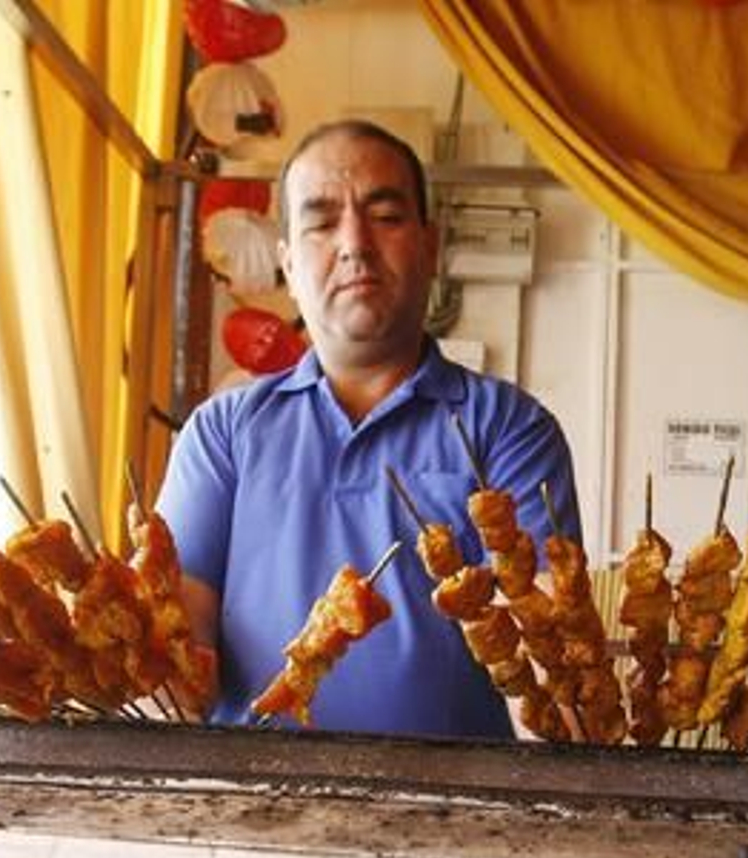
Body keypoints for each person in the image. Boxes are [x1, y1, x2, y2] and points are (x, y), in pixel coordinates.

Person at [155, 120, 582, 738]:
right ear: (287, 264)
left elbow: (545, 659)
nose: (354, 243)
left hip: (457, 796)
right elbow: (179, 652)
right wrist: (129, 652)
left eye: (385, 216)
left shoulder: (509, 429)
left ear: (430, 246)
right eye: (322, 223)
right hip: (247, 792)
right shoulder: (221, 433)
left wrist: (565, 727)